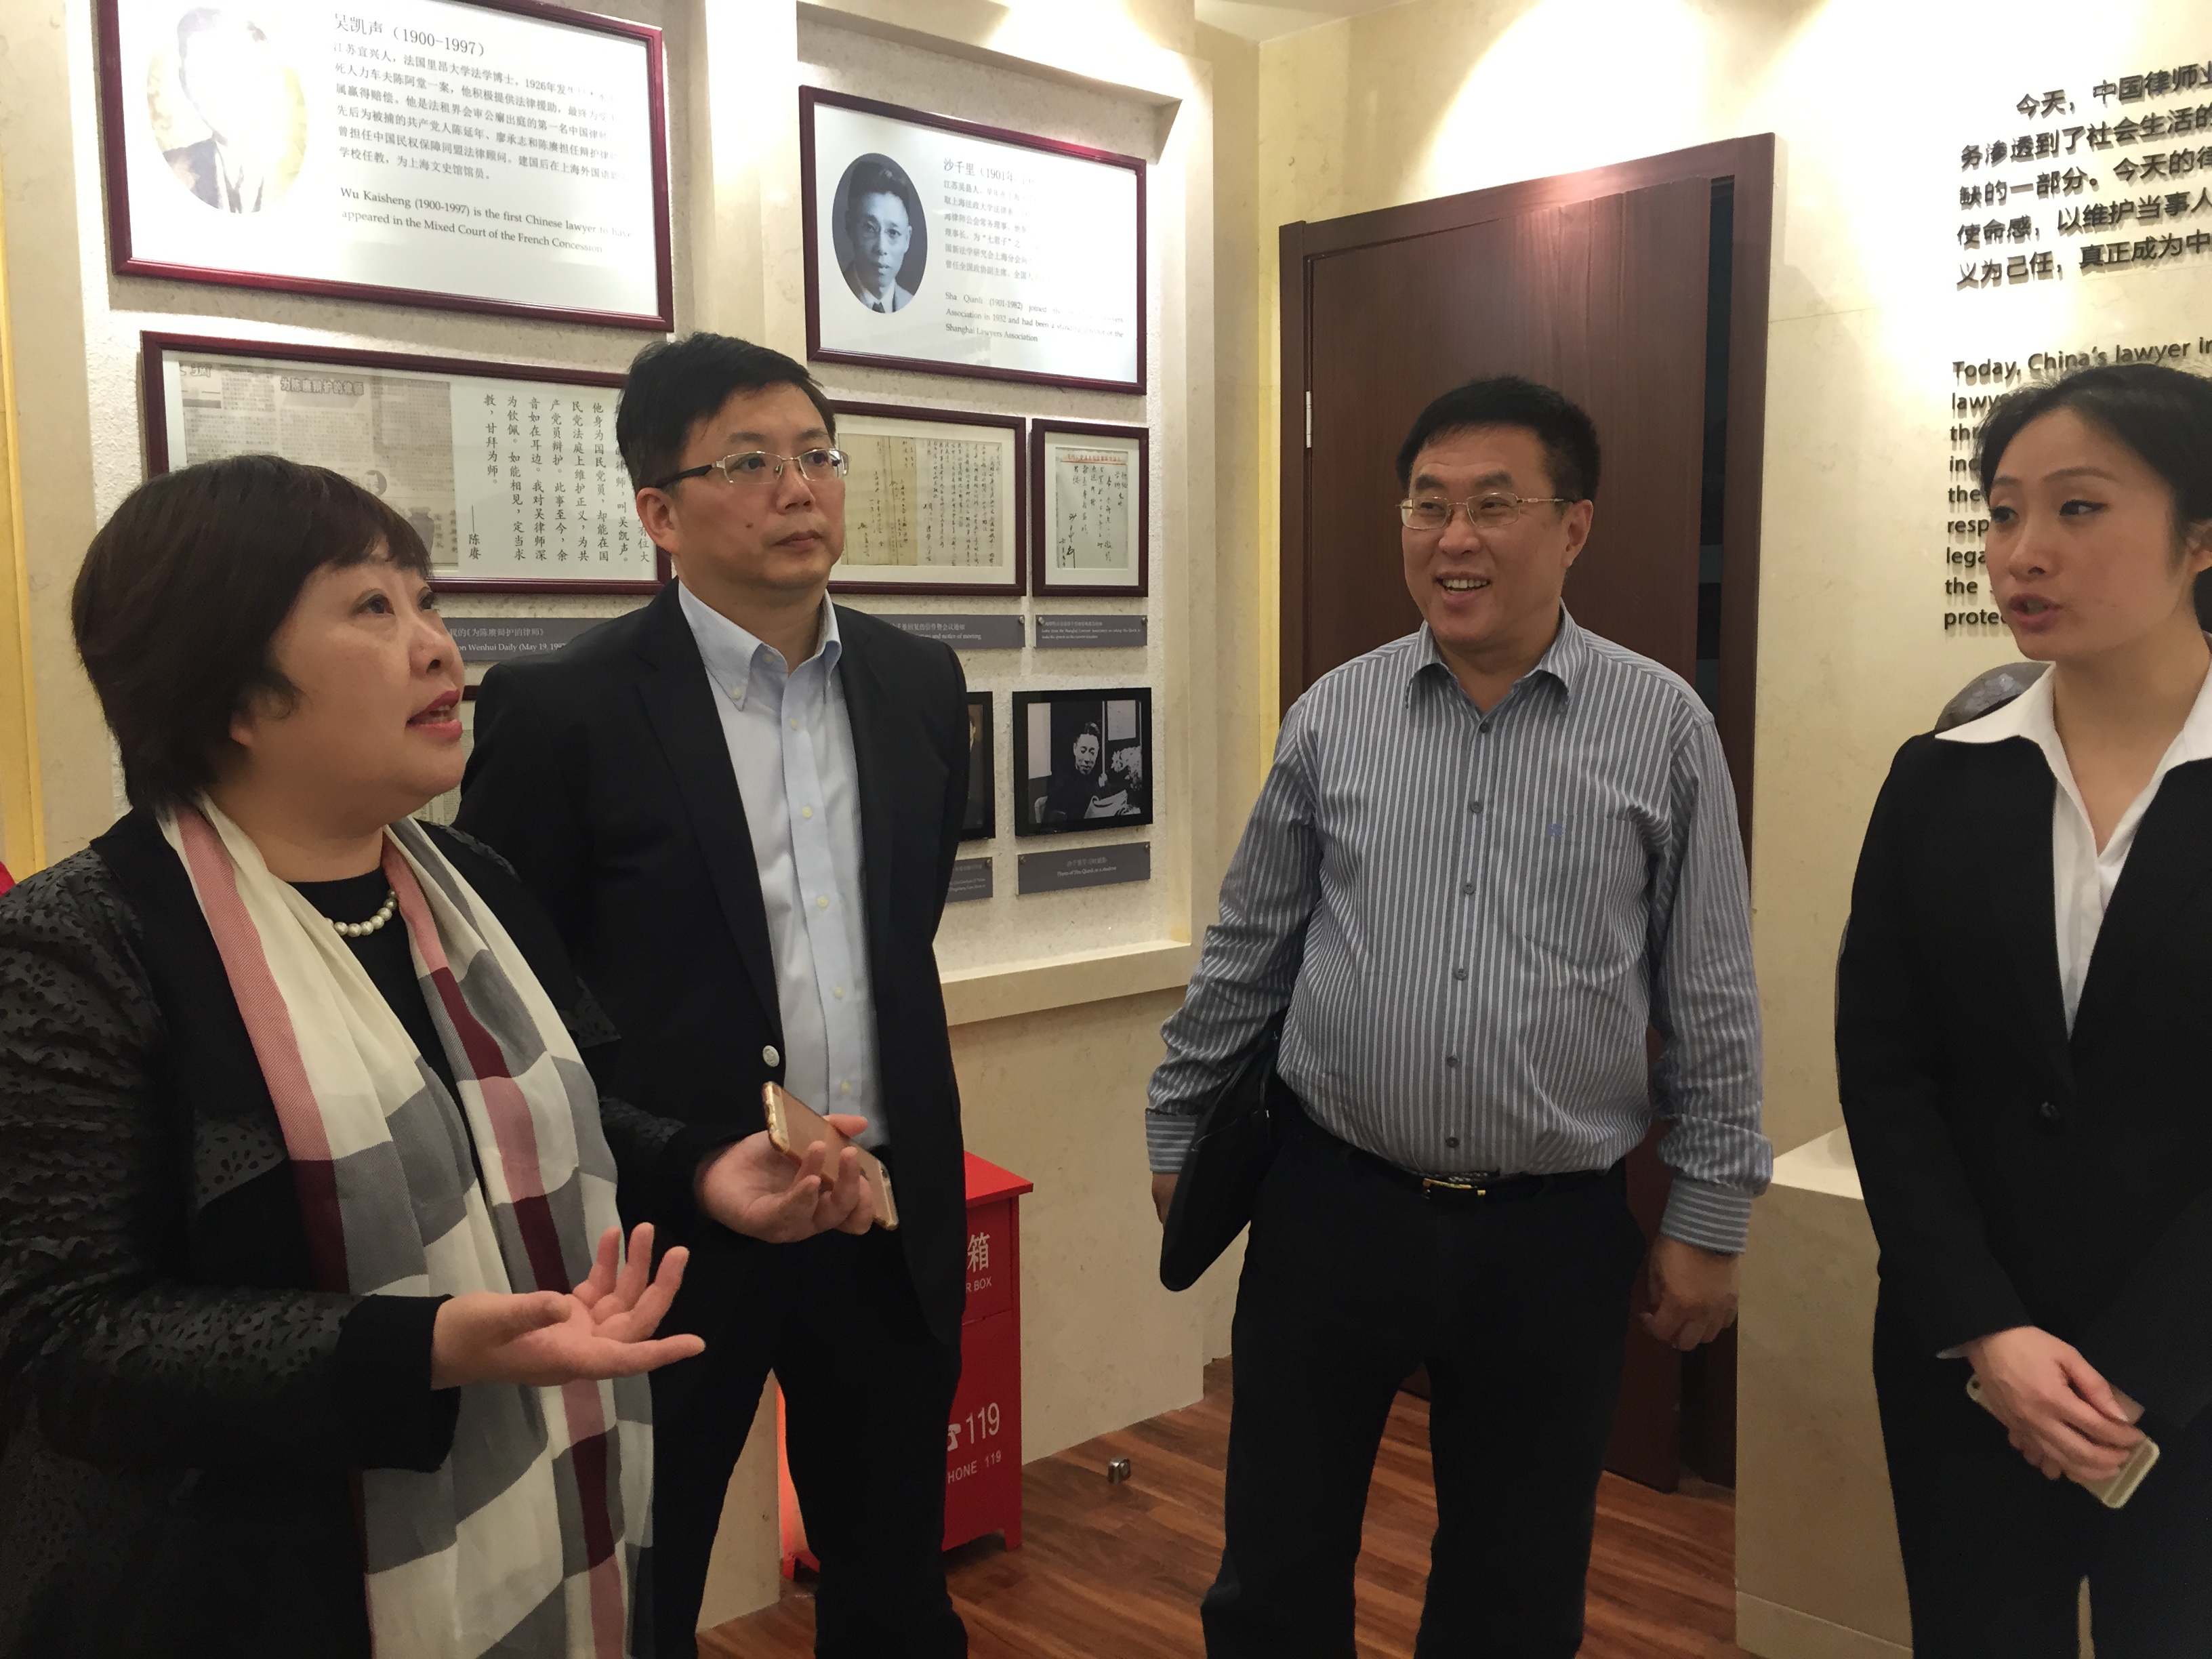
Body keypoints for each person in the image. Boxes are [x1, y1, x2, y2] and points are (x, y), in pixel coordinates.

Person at [0, 455, 876, 1658]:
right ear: (229, 691)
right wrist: (424, 1346)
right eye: (372, 607)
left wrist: (704, 1169)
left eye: (426, 601)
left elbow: (556, 1117)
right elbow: (59, 1339)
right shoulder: (82, 945)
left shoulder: (470, 885)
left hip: (552, 1534)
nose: (435, 649)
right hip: (243, 1587)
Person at [1146, 375, 1771, 1658]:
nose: (1453, 538)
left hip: (1547, 1235)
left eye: (1493, 505)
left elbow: (1709, 991)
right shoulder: (1335, 713)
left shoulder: (1661, 727)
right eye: (1426, 506)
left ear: (1574, 527)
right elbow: (1249, 948)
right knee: (1273, 1566)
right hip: (1330, 1206)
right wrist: (1178, 1124)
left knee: (1514, 1586)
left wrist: (1708, 1214)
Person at [457, 333, 972, 1659]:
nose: (797, 488)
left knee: (896, 1592)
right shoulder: (562, 709)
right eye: (748, 462)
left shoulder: (919, 684)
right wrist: (670, 1155)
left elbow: (901, 928)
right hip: (666, 1228)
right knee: (642, 1591)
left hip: (874, 1205)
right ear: (659, 510)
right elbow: (516, 994)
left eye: (816, 455)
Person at [1837, 361, 2212, 1656]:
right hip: (1964, 1369)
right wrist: (1986, 1330)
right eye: (2000, 513)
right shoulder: (1937, 780)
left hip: (2191, 1376)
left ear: (2198, 536)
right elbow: (1884, 1070)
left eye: (2076, 508)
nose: (2020, 552)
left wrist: (2132, 1374)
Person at [163, 9, 288, 213]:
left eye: (231, 69)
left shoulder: (299, 164)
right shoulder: (172, 167)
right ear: (183, 82)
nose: (214, 91)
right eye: (197, 75)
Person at [840, 160, 919, 313]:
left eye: (893, 232)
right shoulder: (829, 297)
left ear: (907, 239)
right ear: (850, 227)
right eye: (870, 228)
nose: (881, 248)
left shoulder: (917, 309)